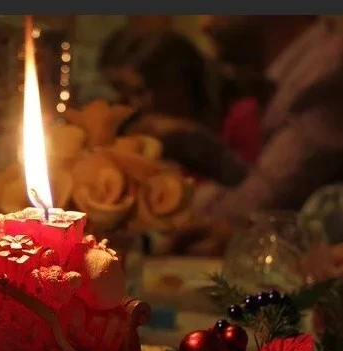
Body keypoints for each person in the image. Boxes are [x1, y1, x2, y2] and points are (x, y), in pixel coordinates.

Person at [144, 16, 343, 255]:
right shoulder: (301, 72)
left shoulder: (327, 72)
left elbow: (261, 204)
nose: (204, 24)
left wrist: (147, 203)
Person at [99, 30, 249, 187]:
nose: (132, 105)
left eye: (139, 92)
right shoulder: (143, 134)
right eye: (122, 92)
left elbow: (250, 188)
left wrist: (194, 139)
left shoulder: (241, 116)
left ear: (176, 81)